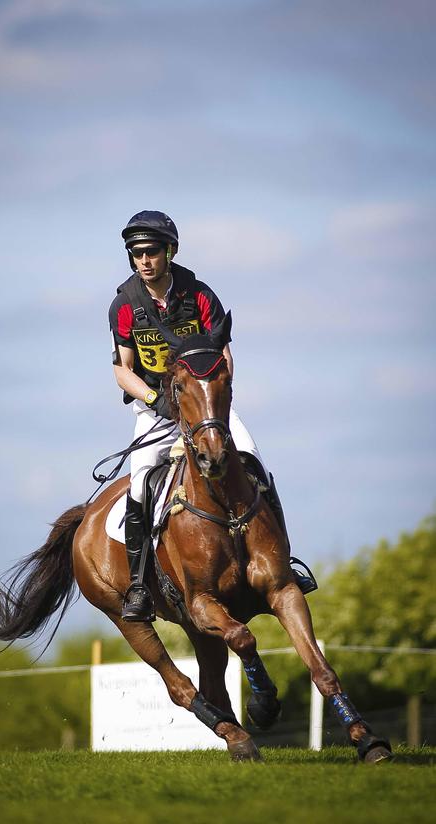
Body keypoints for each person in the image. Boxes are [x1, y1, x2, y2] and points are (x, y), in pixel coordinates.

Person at [109, 210, 316, 621]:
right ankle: (137, 586)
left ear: (170, 252)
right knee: (139, 481)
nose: (143, 260)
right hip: (156, 411)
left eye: (151, 251)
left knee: (254, 458)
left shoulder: (200, 296)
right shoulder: (125, 304)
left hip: (206, 409)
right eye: (136, 253)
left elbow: (224, 356)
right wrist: (154, 397)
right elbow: (121, 369)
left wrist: (213, 402)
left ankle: (284, 561)